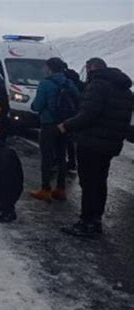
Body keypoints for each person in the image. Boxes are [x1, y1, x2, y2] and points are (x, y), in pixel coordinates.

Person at [58, 58, 133, 238]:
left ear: (91, 68)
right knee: (100, 181)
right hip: (110, 144)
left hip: (91, 142)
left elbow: (88, 114)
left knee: (88, 182)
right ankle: (95, 220)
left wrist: (67, 125)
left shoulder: (98, 86)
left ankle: (86, 222)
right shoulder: (124, 89)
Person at [29, 57, 80, 202]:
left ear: (49, 68)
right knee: (61, 156)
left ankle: (45, 189)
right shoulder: (69, 82)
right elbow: (78, 100)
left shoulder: (45, 84)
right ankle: (60, 189)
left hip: (49, 124)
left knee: (47, 157)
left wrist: (35, 107)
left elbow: (37, 105)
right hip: (65, 125)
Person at [63, 63, 84, 171]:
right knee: (71, 140)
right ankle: (72, 161)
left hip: (67, 115)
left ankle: (65, 162)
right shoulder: (78, 82)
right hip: (76, 114)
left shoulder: (65, 82)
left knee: (64, 140)